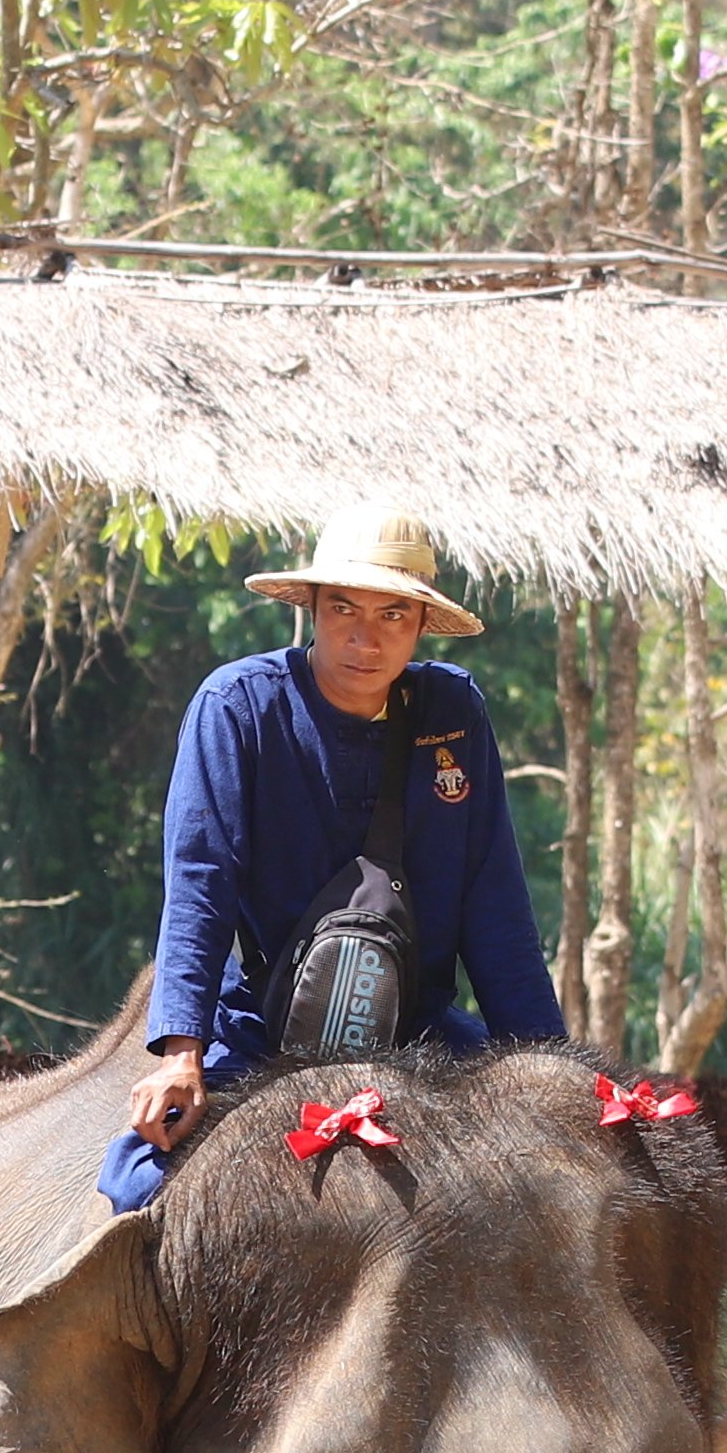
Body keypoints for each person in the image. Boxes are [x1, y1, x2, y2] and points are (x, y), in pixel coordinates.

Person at [109, 507, 558, 1211]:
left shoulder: (454, 712)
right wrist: (181, 1053)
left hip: (418, 1035)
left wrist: (547, 1067)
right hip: (266, 1029)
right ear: (311, 610)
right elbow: (200, 883)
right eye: (343, 607)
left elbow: (492, 899)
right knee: (141, 1186)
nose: (365, 637)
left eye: (393, 616)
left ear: (419, 626)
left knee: (556, 1188)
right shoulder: (236, 708)